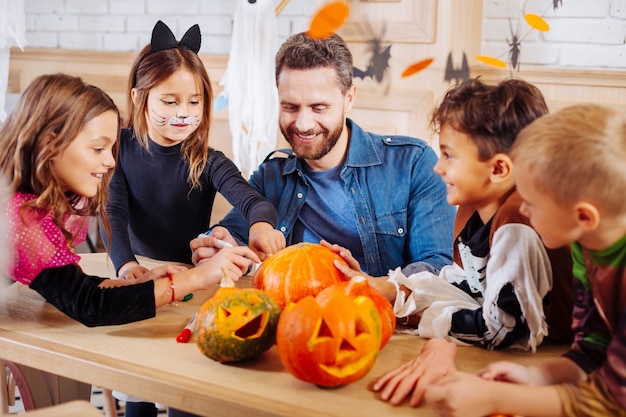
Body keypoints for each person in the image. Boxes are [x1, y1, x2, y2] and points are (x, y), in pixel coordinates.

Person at [0, 73, 260, 416]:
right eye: (98, 148)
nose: (110, 161)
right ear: (51, 144)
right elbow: (90, 306)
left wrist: (141, 283)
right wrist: (195, 278)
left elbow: (67, 288)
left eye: (111, 149)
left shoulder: (23, 205)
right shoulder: (20, 218)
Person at [328, 78, 574, 406]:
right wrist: (391, 289)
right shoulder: (474, 208)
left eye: (449, 156)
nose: (437, 167)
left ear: (499, 168)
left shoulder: (518, 223)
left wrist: (423, 320)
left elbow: (502, 328)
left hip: (552, 363)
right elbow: (464, 284)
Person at [190, 31, 455, 278]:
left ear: (349, 98)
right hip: (296, 319)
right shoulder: (272, 175)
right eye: (291, 107)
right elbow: (232, 235)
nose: (303, 124)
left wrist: (372, 285)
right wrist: (216, 244)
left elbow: (437, 269)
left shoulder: (413, 163)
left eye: (319, 108)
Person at [423, 103, 626, 417]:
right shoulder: (588, 247)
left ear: (583, 216)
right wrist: (536, 376)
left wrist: (497, 399)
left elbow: (612, 401)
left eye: (531, 202)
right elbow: (593, 346)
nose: (523, 210)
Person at [103, 20, 285, 282]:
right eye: (169, 101)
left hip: (190, 274)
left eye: (194, 102)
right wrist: (127, 265)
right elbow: (113, 211)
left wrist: (261, 226)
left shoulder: (210, 162)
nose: (183, 113)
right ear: (137, 97)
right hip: (136, 266)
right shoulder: (117, 147)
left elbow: (255, 202)